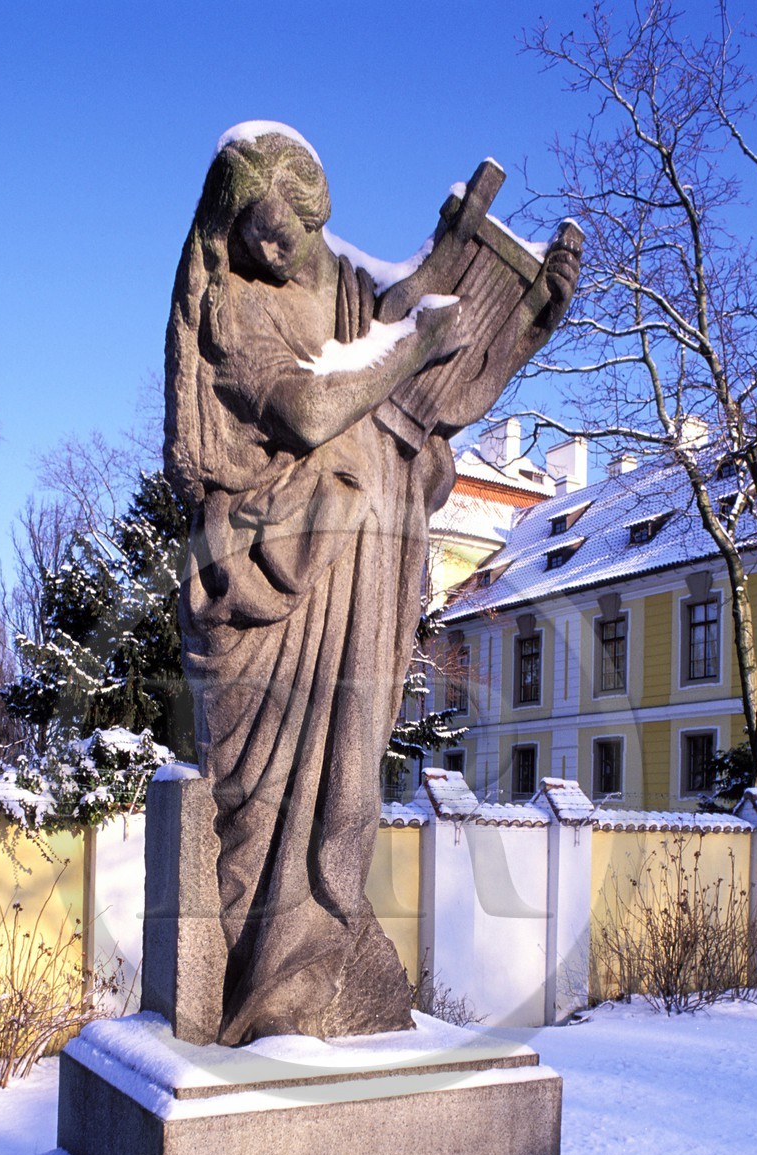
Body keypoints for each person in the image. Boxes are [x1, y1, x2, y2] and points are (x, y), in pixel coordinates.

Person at [165, 124, 577, 1045]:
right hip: (278, 575)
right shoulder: (229, 309)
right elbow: (317, 405)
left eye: (292, 232)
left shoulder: (346, 287)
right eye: (255, 235)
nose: (275, 252)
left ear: (318, 212)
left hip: (362, 560)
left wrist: (515, 321)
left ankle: (326, 962)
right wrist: (413, 346)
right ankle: (266, 998)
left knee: (347, 783)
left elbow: (414, 356)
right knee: (262, 804)